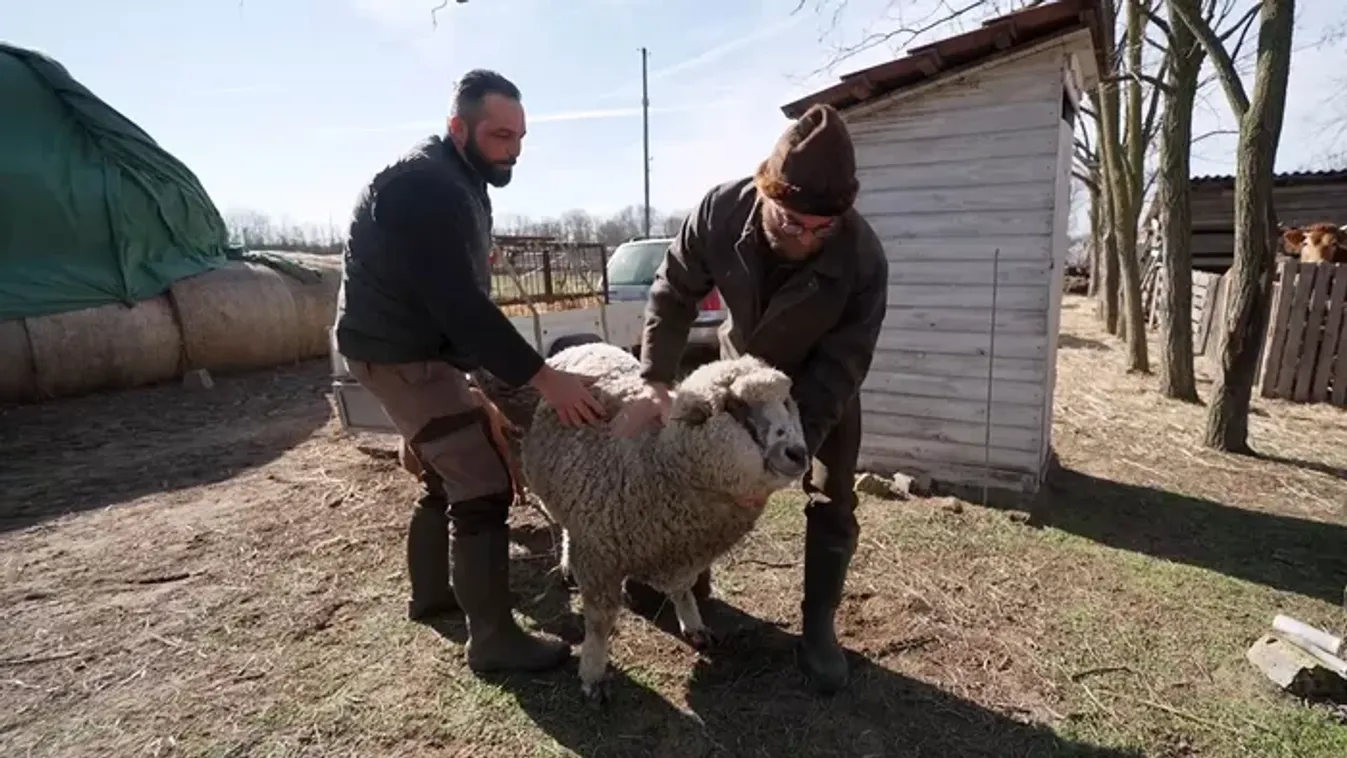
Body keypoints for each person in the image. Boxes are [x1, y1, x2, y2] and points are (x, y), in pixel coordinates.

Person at [610, 103, 888, 694]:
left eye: (822, 229)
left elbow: (844, 365)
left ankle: (818, 627)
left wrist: (789, 449)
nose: (804, 239)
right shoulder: (719, 211)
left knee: (832, 495)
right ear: (766, 191)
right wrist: (655, 377)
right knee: (701, 479)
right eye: (790, 221)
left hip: (817, 390)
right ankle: (683, 581)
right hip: (736, 380)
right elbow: (672, 292)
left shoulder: (864, 258)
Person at [334, 69, 604, 674]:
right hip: (403, 354)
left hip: (411, 347)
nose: (513, 149)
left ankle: (433, 597)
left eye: (520, 137)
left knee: (446, 469)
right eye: (499, 135)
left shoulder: (458, 177)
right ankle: (492, 641)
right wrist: (544, 378)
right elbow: (459, 304)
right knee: (480, 481)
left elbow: (457, 291)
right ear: (457, 126)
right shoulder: (423, 185)